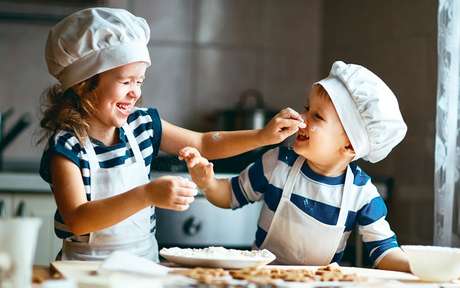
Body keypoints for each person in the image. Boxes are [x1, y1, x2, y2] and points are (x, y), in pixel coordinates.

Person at [38, 7, 305, 262]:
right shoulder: (68, 145)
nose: (135, 92)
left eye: (139, 81)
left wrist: (261, 136)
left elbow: (203, 143)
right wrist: (146, 195)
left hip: (143, 268)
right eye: (126, 81)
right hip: (82, 272)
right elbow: (76, 218)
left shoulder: (143, 125)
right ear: (85, 84)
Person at [180, 60, 411, 272]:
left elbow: (384, 251)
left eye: (317, 116)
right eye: (306, 108)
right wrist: (208, 183)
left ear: (350, 145)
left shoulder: (361, 193)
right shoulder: (278, 163)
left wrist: (417, 266)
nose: (302, 117)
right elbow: (229, 195)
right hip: (261, 280)